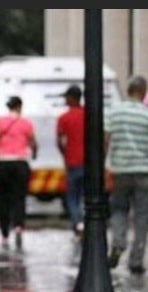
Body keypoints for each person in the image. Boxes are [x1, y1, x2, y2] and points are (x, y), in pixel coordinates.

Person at [105, 75, 148, 275]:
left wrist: (105, 166)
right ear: (143, 91)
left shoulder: (114, 112)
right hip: (142, 172)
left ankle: (119, 243)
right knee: (142, 216)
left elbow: (106, 139)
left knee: (119, 209)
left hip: (119, 170)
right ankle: (136, 259)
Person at [0, 96, 37, 248]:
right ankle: (19, 227)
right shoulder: (27, 123)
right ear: (20, 107)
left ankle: (4, 234)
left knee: (2, 198)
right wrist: (34, 153)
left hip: (2, 162)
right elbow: (33, 142)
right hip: (20, 162)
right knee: (19, 197)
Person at [56, 85, 86, 238]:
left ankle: (78, 224)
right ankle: (83, 222)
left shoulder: (63, 118)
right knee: (84, 195)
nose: (65, 100)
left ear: (72, 98)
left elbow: (60, 141)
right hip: (88, 163)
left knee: (72, 197)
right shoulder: (88, 115)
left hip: (72, 162)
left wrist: (65, 154)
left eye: (66, 97)